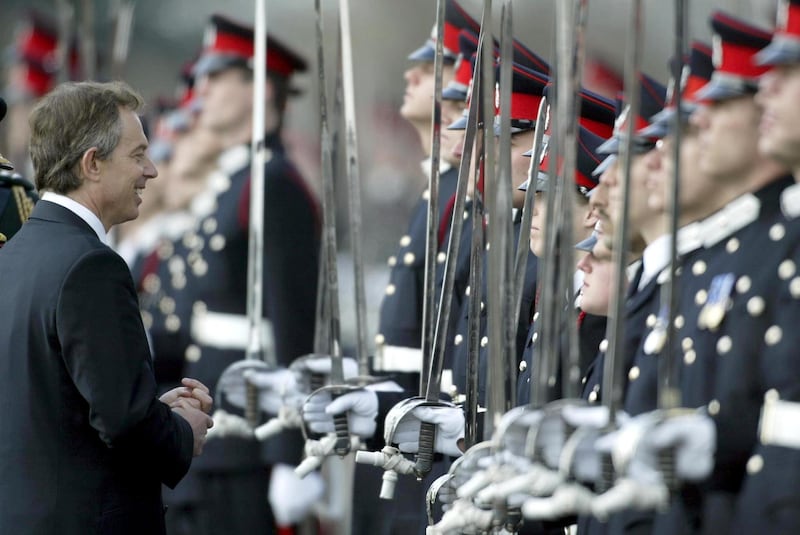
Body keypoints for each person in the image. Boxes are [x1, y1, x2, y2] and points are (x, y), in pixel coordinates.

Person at [0, 80, 213, 535]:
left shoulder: (14, 254)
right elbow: (122, 420)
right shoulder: (91, 265)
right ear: (92, 163)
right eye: (138, 155)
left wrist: (155, 410)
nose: (151, 171)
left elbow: (59, 403)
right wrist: (182, 431)